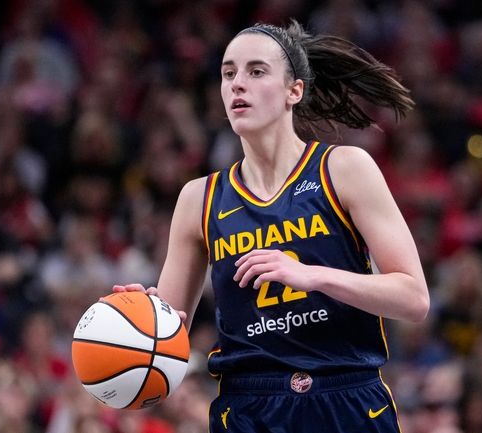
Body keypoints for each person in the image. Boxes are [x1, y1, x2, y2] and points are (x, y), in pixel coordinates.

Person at [115, 19, 429, 433]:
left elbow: (414, 297)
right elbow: (170, 340)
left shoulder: (344, 169)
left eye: (256, 71)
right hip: (248, 406)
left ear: (293, 90)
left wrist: (313, 276)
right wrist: (143, 323)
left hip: (346, 396)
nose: (237, 85)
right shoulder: (199, 198)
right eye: (228, 74)